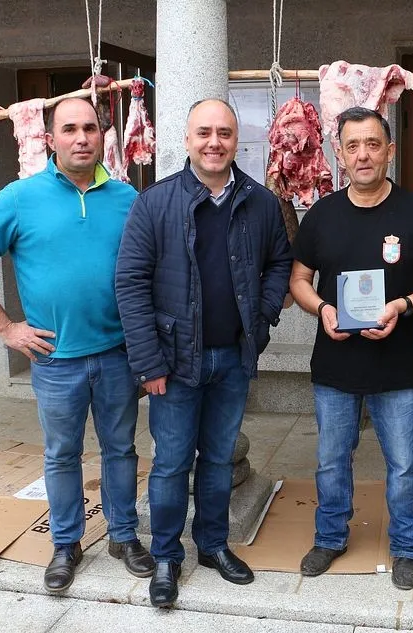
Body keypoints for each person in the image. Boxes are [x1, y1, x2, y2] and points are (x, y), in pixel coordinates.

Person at [0, 97, 154, 593]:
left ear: (104, 135)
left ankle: (124, 535)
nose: (81, 137)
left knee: (120, 450)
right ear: (50, 138)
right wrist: (6, 329)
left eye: (90, 127)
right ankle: (66, 543)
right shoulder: (20, 197)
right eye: (70, 129)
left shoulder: (128, 199)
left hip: (117, 354)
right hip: (55, 359)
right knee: (62, 455)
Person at [115, 98, 291, 608]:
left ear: (237, 140)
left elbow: (280, 261)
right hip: (172, 363)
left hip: (233, 358)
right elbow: (129, 283)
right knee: (171, 463)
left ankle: (212, 545)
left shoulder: (260, 202)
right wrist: (147, 362)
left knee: (217, 460)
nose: (215, 142)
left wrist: (262, 318)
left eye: (225, 133)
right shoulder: (155, 202)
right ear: (187, 139)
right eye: (204, 133)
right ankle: (167, 556)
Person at [289, 106, 413, 590]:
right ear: (339, 154)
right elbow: (299, 279)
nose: (363, 154)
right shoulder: (321, 215)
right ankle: (329, 537)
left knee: (403, 464)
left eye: (373, 144)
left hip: (396, 365)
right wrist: (322, 309)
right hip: (335, 362)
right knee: (330, 460)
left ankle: (406, 547)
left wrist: (402, 305)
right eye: (353, 145)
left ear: (390, 151)